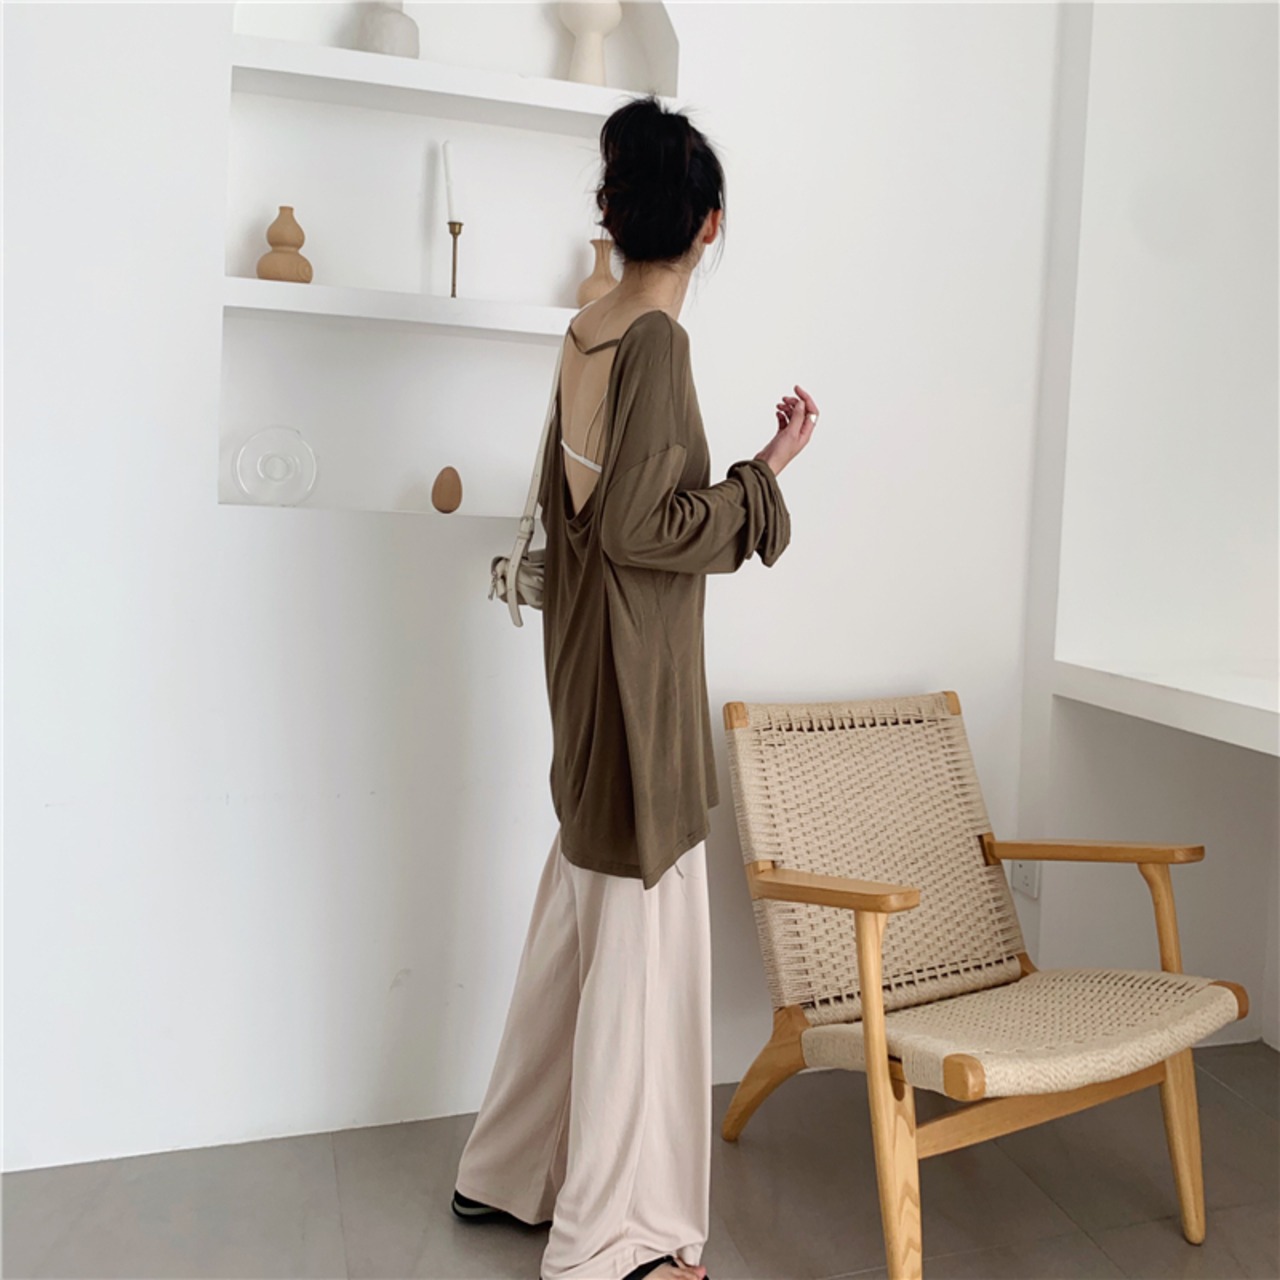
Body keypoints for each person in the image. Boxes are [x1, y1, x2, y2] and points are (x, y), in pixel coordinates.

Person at [452, 94, 819, 1280]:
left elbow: (576, 513)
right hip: (636, 676)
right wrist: (761, 480)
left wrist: (746, 476)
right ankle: (615, 1236)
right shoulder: (656, 340)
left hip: (580, 669)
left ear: (613, 216)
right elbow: (639, 525)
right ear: (708, 224)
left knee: (580, 928)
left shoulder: (587, 325)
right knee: (642, 963)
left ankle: (506, 1170)